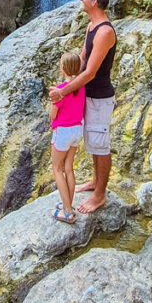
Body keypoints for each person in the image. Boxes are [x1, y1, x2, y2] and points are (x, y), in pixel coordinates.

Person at [49, 0, 116, 213]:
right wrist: (68, 80)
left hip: (100, 98)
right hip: (88, 95)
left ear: (94, 2)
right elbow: (81, 61)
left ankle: (100, 195)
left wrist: (63, 92)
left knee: (100, 145)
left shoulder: (105, 32)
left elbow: (90, 72)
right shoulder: (91, 26)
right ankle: (96, 182)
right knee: (93, 143)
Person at [49, 49, 86, 224]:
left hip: (62, 132)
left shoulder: (60, 91)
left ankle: (67, 212)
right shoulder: (81, 87)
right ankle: (67, 204)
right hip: (77, 130)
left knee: (57, 169)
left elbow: (53, 116)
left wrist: (52, 101)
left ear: (63, 69)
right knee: (69, 168)